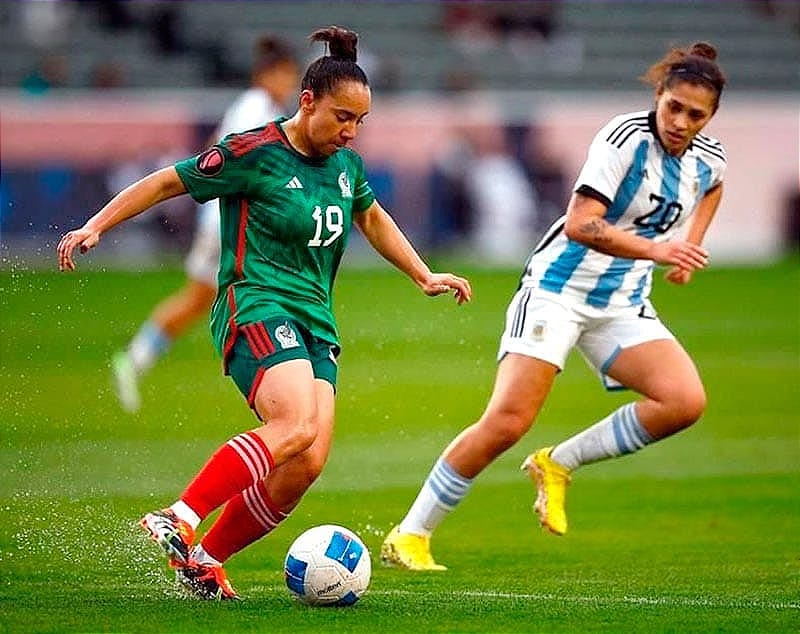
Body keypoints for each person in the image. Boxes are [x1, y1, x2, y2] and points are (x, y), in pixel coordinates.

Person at [57, 26, 472, 599]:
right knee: (295, 425)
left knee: (307, 461)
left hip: (315, 321)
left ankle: (203, 560)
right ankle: (178, 516)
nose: (351, 131)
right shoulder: (253, 152)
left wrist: (423, 274)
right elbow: (164, 183)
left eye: (360, 121)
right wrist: (96, 225)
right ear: (307, 101)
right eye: (342, 117)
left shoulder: (345, 165)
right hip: (252, 302)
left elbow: (371, 218)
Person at [381, 41, 727, 570]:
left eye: (695, 114)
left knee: (683, 401)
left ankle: (558, 463)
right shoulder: (623, 140)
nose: (680, 121)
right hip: (557, 292)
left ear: (710, 117)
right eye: (673, 106)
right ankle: (410, 534)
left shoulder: (709, 158)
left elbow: (713, 187)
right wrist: (659, 248)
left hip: (622, 303)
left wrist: (689, 248)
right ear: (658, 95)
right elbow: (581, 224)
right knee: (508, 420)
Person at [111, 35, 300, 413]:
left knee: (200, 298)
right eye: (289, 76)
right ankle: (266, 372)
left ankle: (136, 358)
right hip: (232, 222)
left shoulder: (247, 107)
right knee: (262, 293)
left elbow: (216, 149)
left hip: (218, 216)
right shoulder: (258, 109)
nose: (291, 86)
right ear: (272, 74)